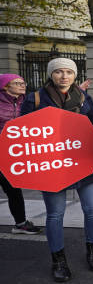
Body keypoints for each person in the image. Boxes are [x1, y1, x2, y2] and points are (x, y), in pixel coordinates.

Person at [20, 58, 93, 282]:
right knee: (55, 214)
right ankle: (58, 260)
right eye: (58, 72)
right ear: (51, 75)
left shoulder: (84, 98)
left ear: (75, 75)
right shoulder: (35, 98)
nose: (64, 76)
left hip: (85, 163)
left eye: (68, 72)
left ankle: (92, 251)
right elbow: (23, 132)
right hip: (52, 166)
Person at [0, 74, 41, 235]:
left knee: (13, 188)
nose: (22, 85)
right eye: (17, 83)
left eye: (23, 83)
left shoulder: (28, 101)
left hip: (12, 155)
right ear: (5, 86)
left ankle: (20, 223)